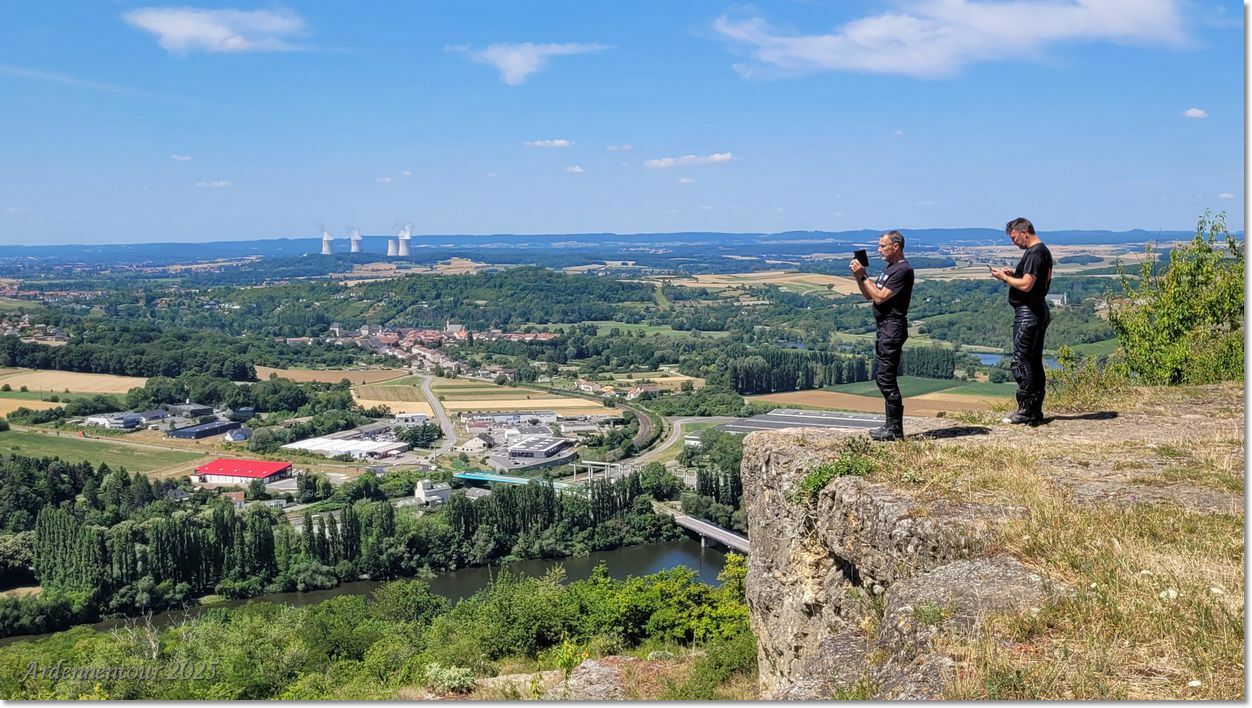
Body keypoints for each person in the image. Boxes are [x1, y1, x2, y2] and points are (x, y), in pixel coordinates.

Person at [850, 230, 914, 441]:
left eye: (882, 246)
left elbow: (879, 297)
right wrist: (859, 278)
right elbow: (869, 294)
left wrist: (864, 275)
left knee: (885, 377)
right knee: (882, 376)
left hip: (892, 327)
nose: (879, 250)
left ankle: (895, 429)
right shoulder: (890, 269)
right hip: (885, 327)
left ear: (895, 246)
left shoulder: (903, 270)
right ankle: (890, 426)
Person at [991, 217, 1053, 424]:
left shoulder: (1035, 253)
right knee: (1033, 361)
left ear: (1025, 232)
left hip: (1028, 313)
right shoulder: (1041, 251)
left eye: (1014, 237)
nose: (1014, 242)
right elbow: (1031, 279)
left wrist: (1005, 278)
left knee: (1021, 361)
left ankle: (1026, 409)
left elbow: (1026, 285)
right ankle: (1034, 408)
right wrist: (1014, 273)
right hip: (1038, 310)